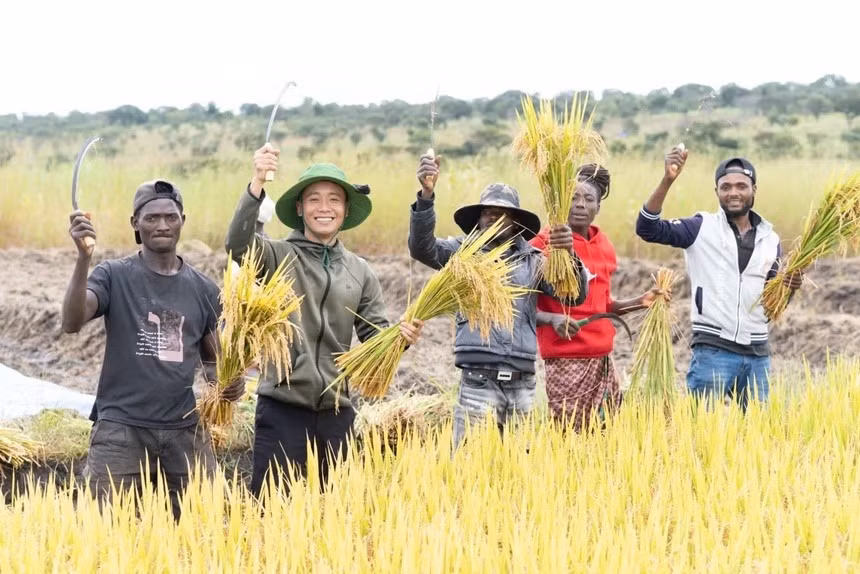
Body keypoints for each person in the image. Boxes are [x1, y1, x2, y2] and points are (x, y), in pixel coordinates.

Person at [225, 144, 424, 498]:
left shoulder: (359, 271)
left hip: (337, 413)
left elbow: (374, 336)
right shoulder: (278, 256)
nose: (324, 208)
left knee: (335, 518)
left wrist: (400, 338)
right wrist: (257, 182)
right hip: (282, 408)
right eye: (314, 199)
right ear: (299, 209)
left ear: (346, 210)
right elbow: (238, 246)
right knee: (271, 513)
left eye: (334, 199)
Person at [62, 180, 245, 520]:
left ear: (182, 221)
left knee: (206, 527)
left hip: (184, 430)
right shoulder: (114, 276)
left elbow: (212, 365)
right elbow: (72, 321)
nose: (162, 225)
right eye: (151, 218)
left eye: (170, 217)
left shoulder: (203, 288)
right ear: (135, 223)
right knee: (104, 533)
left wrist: (230, 385)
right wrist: (83, 258)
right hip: (121, 430)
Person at [408, 152, 589, 449]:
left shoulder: (534, 260)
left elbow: (573, 294)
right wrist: (426, 197)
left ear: (516, 222)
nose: (495, 219)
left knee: (522, 471)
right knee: (470, 466)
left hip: (523, 382)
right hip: (478, 380)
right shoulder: (462, 254)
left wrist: (568, 254)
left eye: (504, 214)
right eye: (488, 213)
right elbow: (422, 249)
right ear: (479, 219)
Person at [635, 146, 802, 410]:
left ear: (754, 190)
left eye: (741, 186)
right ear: (717, 193)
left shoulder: (771, 240)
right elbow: (647, 228)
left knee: (758, 434)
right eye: (725, 187)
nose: (733, 192)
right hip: (713, 350)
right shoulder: (701, 227)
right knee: (702, 429)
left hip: (758, 354)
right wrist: (668, 180)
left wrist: (790, 287)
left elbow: (773, 305)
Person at [530, 164, 666, 431]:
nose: (580, 205)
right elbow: (523, 306)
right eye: (573, 198)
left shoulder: (603, 245)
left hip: (603, 358)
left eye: (588, 199)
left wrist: (641, 301)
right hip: (565, 357)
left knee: (607, 433)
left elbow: (604, 305)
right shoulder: (545, 242)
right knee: (568, 434)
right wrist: (552, 318)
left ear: (598, 207)